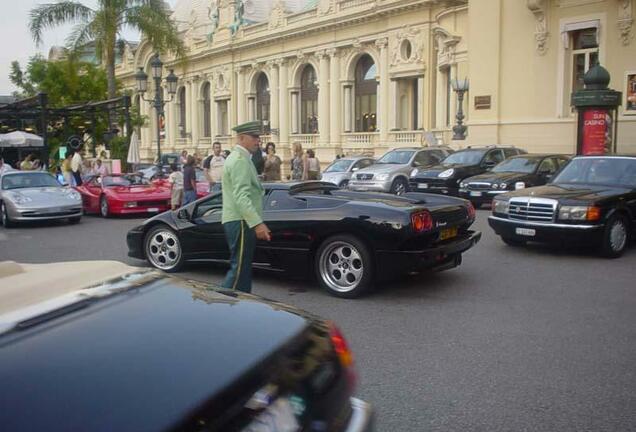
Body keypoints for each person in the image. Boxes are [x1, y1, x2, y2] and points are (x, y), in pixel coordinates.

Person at [221, 120, 271, 293]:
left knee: (242, 269)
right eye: (254, 137)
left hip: (239, 220)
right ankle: (221, 305)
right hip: (241, 221)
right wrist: (257, 223)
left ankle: (241, 305)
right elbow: (241, 197)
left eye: (258, 137)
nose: (258, 141)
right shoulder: (240, 160)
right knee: (239, 269)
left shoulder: (239, 158)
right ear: (242, 138)